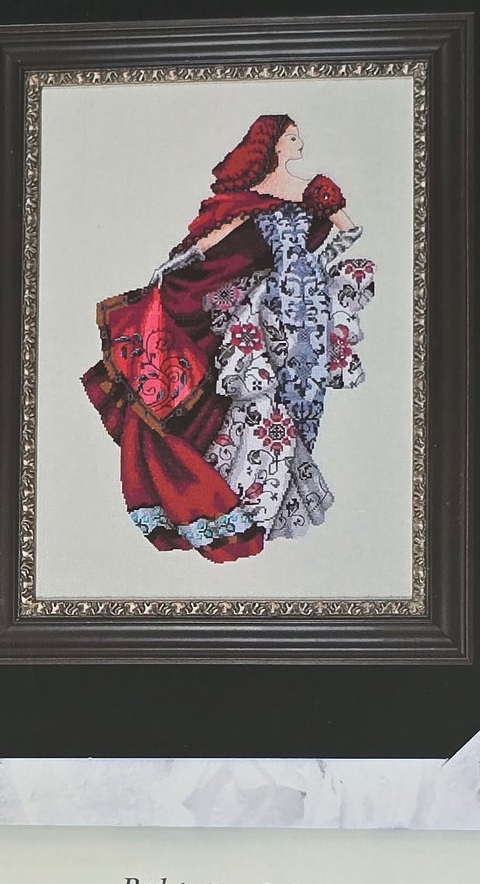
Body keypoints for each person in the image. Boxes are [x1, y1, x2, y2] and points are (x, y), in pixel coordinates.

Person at [80, 113, 374, 562]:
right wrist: (172, 265)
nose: (300, 143)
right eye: (292, 137)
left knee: (303, 395)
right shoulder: (250, 197)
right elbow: (216, 239)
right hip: (264, 308)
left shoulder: (315, 188)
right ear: (272, 145)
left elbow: (350, 231)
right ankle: (243, 496)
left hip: (306, 311)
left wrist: (309, 265)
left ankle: (282, 503)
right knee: (254, 398)